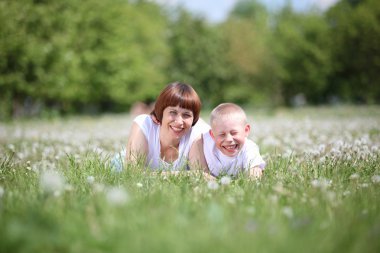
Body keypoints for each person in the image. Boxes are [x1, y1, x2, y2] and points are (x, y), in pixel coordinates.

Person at [116, 81, 210, 171]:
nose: (179, 122)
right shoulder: (144, 124)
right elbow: (133, 173)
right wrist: (188, 175)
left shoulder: (197, 132)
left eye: (186, 115)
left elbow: (202, 176)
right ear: (161, 112)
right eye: (173, 112)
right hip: (119, 167)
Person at [190, 103, 265, 178]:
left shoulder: (249, 148)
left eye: (234, 133)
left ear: (246, 130)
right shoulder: (205, 142)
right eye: (222, 135)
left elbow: (255, 171)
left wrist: (253, 177)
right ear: (212, 135)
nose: (229, 139)